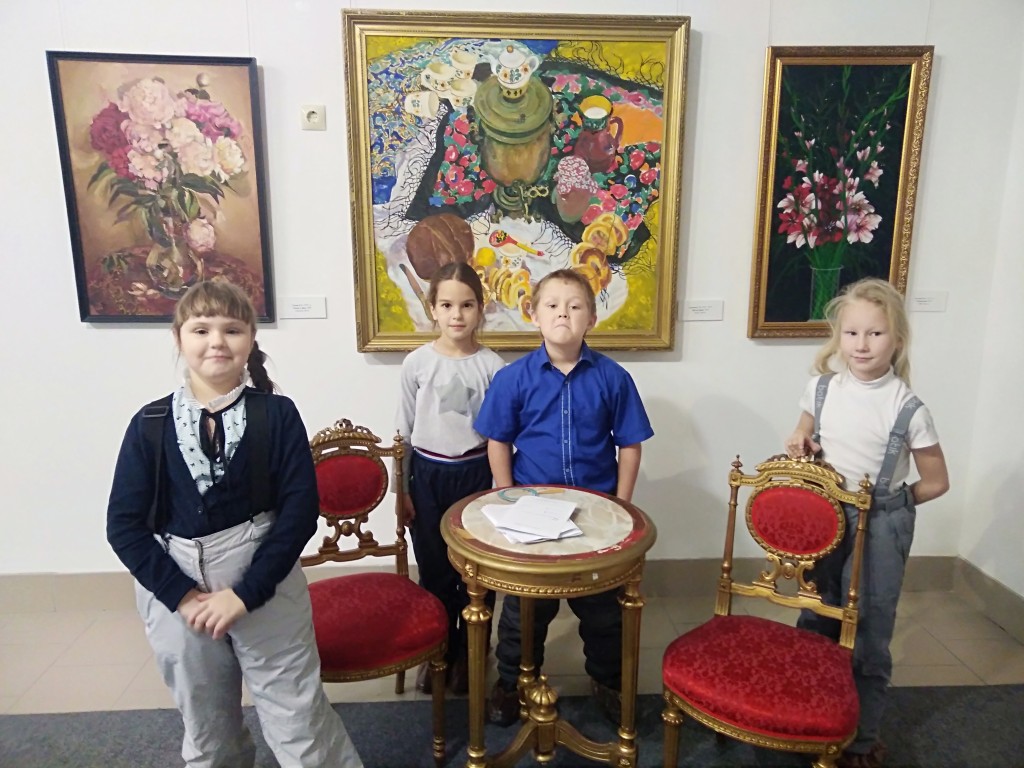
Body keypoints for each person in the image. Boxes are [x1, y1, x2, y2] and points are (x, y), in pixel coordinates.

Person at [106, 280, 362, 768]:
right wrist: (183, 596)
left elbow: (299, 513)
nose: (217, 341)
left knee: (297, 717)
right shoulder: (149, 424)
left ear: (251, 339)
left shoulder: (277, 415)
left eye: (232, 329)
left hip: (262, 574)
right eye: (201, 329)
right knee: (207, 724)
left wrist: (244, 594)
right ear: (179, 338)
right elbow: (123, 525)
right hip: (177, 588)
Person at [474, 268, 654, 726]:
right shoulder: (513, 378)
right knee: (524, 611)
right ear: (533, 314)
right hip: (532, 510)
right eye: (552, 305)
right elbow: (498, 439)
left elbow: (630, 444)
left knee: (603, 610)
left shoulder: (613, 378)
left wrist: (623, 504)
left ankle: (607, 680)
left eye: (575, 307)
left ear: (591, 318)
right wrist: (505, 493)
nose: (563, 314)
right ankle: (512, 681)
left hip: (596, 511)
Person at [785, 278, 949, 768]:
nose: (861, 344)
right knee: (817, 615)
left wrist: (891, 507)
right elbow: (803, 433)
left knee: (869, 632)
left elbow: (936, 481)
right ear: (838, 336)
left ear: (896, 340)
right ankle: (809, 717)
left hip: (880, 523)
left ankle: (862, 738)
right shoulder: (820, 388)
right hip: (826, 516)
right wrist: (799, 442)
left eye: (875, 334)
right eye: (851, 332)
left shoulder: (907, 407)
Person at [396, 262, 505, 695]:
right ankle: (439, 648)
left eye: (466, 305)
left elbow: (501, 435)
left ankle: (473, 651)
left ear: (481, 309)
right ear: (433, 309)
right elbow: (402, 433)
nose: (456, 315)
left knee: (476, 573)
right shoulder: (417, 363)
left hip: (476, 475)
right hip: (427, 477)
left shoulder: (493, 366)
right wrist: (401, 491)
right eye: (446, 305)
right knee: (435, 570)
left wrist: (500, 489)